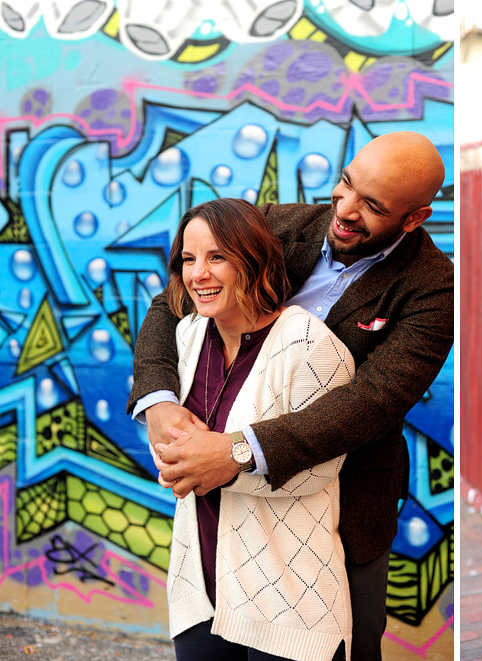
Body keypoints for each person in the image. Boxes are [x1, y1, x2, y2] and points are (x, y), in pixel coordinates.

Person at [127, 131, 453, 659]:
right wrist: (159, 400)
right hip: (230, 503)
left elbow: (375, 400)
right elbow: (174, 299)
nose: (343, 210)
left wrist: (236, 450)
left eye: (371, 206)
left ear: (414, 217)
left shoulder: (435, 286)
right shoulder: (278, 224)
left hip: (345, 503)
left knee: (341, 642)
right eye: (345, 185)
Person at [159, 198, 354, 660]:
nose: (198, 274)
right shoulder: (189, 333)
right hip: (199, 584)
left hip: (288, 596)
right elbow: (173, 434)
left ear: (252, 259)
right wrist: (176, 457)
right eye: (189, 259)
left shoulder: (308, 344)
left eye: (217, 257)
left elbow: (320, 468)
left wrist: (222, 461)